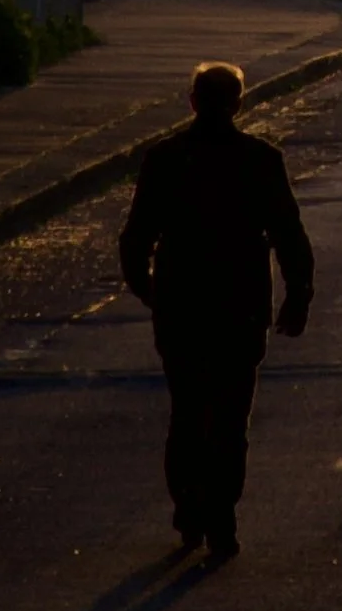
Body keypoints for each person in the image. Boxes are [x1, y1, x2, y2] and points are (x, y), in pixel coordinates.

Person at [119, 60, 313, 557]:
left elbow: (135, 238)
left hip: (182, 305)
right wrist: (298, 293)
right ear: (239, 103)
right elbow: (289, 233)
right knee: (230, 418)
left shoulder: (164, 159)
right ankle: (221, 514)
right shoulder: (260, 160)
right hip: (240, 305)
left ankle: (189, 507)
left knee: (187, 412)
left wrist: (151, 291)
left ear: (192, 101)